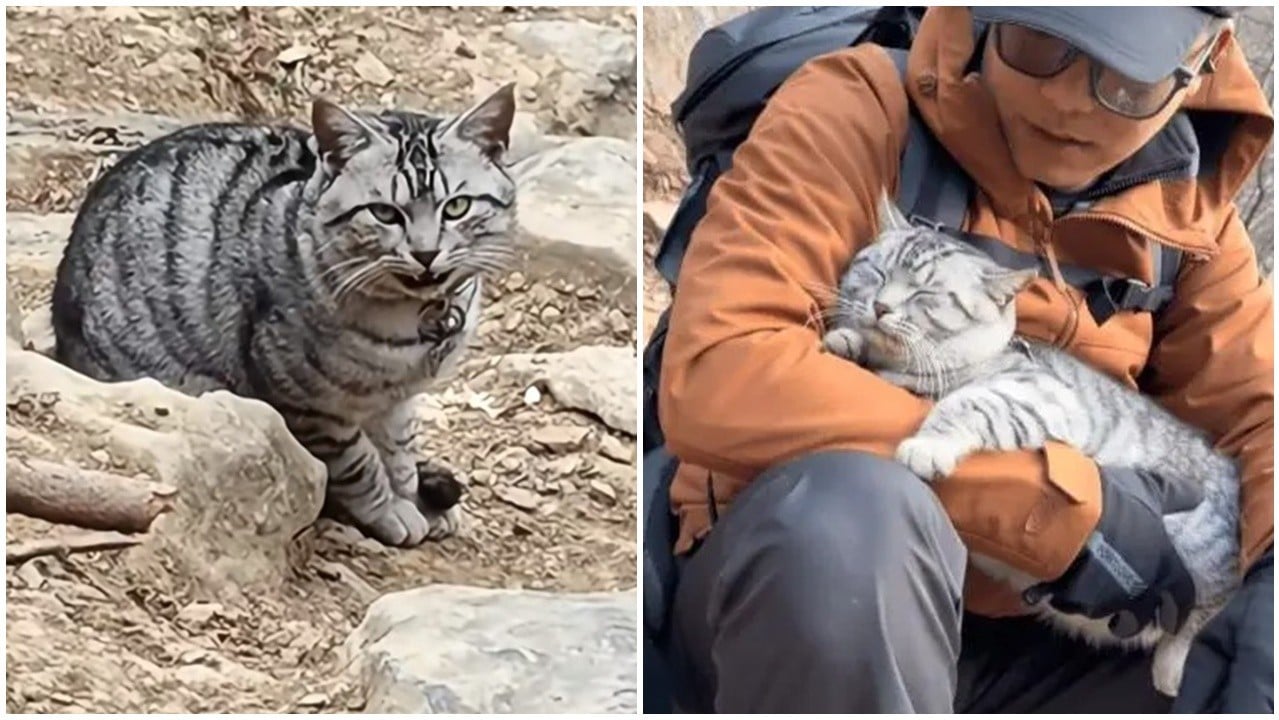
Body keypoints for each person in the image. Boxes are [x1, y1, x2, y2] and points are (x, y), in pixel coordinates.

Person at [656, 6, 1273, 713]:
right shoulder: (856, 106)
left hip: (1054, 637)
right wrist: (1054, 508)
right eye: (1039, 44)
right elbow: (722, 368)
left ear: (1200, 60)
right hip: (813, 593)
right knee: (850, 517)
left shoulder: (1193, 221)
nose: (1067, 100)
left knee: (1245, 649)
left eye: (1125, 81)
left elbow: (1256, 419)